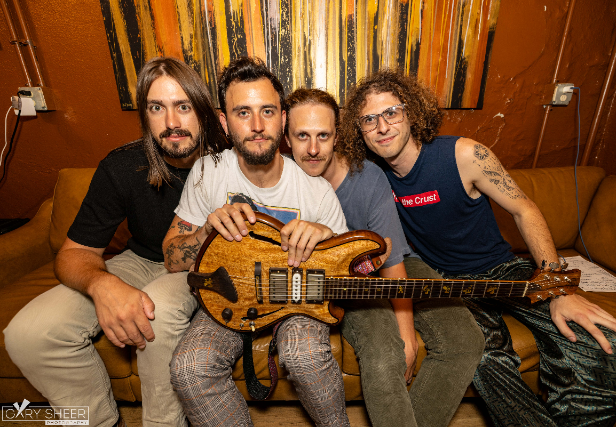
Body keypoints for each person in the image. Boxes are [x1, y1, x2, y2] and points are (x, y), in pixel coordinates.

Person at [340, 70, 616, 426]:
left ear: (412, 113)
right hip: (449, 284)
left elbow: (524, 209)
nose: (382, 126)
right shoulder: (371, 177)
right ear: (360, 131)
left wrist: (558, 287)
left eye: (392, 112)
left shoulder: (464, 154)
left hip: (503, 270)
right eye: (369, 119)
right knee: (484, 359)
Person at [4, 57, 228, 427]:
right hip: (139, 260)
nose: (171, 122)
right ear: (144, 116)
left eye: (184, 106)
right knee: (30, 334)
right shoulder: (123, 166)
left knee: (157, 311)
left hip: (198, 265)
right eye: (157, 108)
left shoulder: (232, 161)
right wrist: (102, 283)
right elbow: (74, 254)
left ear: (204, 111)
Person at [283, 87, 484, 427]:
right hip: (343, 281)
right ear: (286, 139)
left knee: (464, 340)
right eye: (302, 136)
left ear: (337, 136)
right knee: (382, 352)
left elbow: (392, 261)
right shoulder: (280, 177)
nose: (313, 148)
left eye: (323, 135)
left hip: (395, 264)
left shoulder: (368, 177)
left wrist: (407, 334)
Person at [166, 57, 350, 427]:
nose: (257, 126)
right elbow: (172, 259)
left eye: (267, 111)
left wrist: (327, 239)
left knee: (304, 356)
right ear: (224, 122)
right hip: (230, 297)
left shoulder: (316, 190)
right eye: (242, 113)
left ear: (283, 118)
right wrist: (204, 232)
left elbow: (346, 276)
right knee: (189, 368)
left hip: (296, 300)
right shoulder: (207, 172)